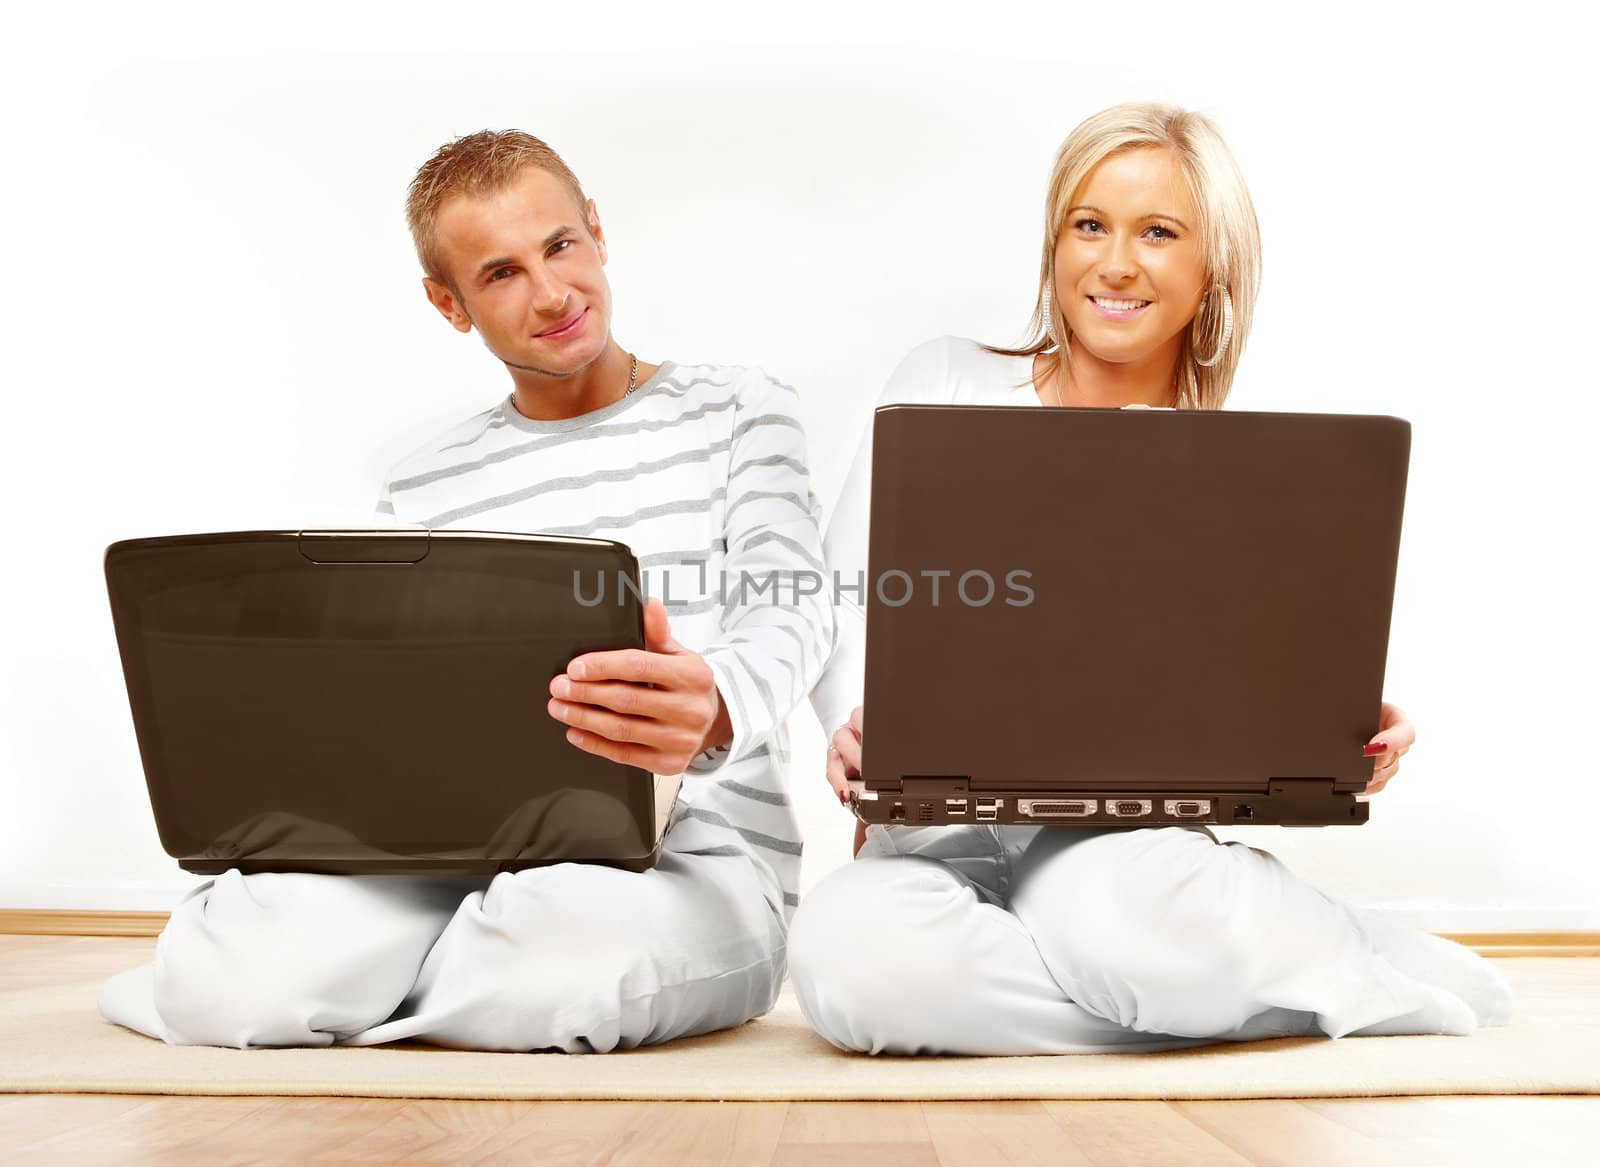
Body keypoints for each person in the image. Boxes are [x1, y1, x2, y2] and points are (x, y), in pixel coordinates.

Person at [788, 102, 1513, 1056]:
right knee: (849, 961)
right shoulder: (945, 385)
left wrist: (1339, 717)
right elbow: (846, 608)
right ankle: (1224, 993)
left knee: (1114, 920)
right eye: (1090, 226)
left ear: (1213, 266)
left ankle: (1247, 966)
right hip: (934, 830)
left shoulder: (1231, 474)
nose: (1116, 264)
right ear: (1055, 244)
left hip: (1111, 849)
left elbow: (1247, 681)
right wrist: (854, 729)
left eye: (1158, 233)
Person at [98, 130, 834, 1051]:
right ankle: (365, 972)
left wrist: (715, 703)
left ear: (597, 233)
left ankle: (352, 986)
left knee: (557, 959)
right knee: (226, 984)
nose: (553, 293)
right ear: (449, 305)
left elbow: (795, 605)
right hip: (449, 849)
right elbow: (393, 711)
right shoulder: (422, 484)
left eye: (561, 246)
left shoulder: (743, 410)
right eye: (501, 273)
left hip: (694, 848)